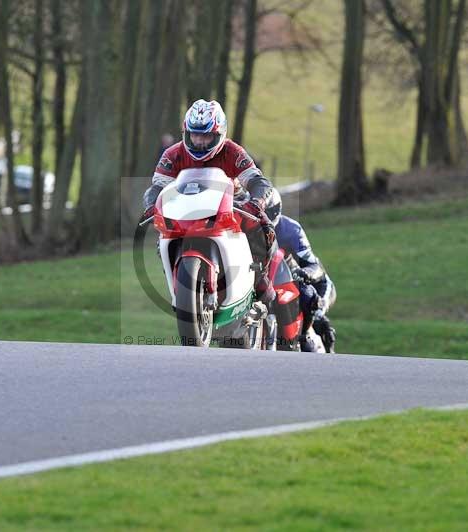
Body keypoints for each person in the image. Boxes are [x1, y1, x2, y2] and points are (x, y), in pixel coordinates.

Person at [142, 99, 277, 303]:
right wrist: (152, 206)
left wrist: (257, 202)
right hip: (186, 210)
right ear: (186, 133)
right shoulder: (172, 154)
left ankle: (261, 279)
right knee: (162, 237)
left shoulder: (233, 152)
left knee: (263, 227)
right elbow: (157, 188)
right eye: (194, 134)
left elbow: (259, 181)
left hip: (232, 208)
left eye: (206, 136)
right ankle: (179, 282)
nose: (199, 141)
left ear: (219, 134)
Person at [265, 189, 337, 352]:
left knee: (309, 300)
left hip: (305, 280)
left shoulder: (291, 230)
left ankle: (314, 342)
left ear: (275, 211)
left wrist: (306, 274)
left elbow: (315, 266)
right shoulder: (247, 225)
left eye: (266, 212)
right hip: (267, 279)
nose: (262, 218)